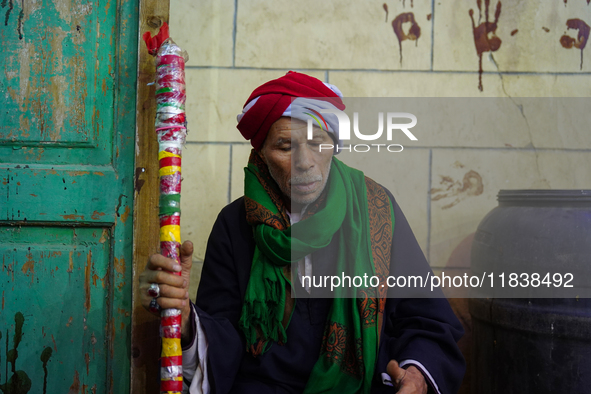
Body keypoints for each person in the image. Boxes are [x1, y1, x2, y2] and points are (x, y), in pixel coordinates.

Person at [139, 71, 465, 394]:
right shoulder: (235, 224)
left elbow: (426, 320)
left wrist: (416, 374)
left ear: (334, 145)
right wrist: (184, 317)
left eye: (317, 143)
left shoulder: (377, 210)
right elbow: (224, 337)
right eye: (285, 146)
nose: (304, 162)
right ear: (262, 155)